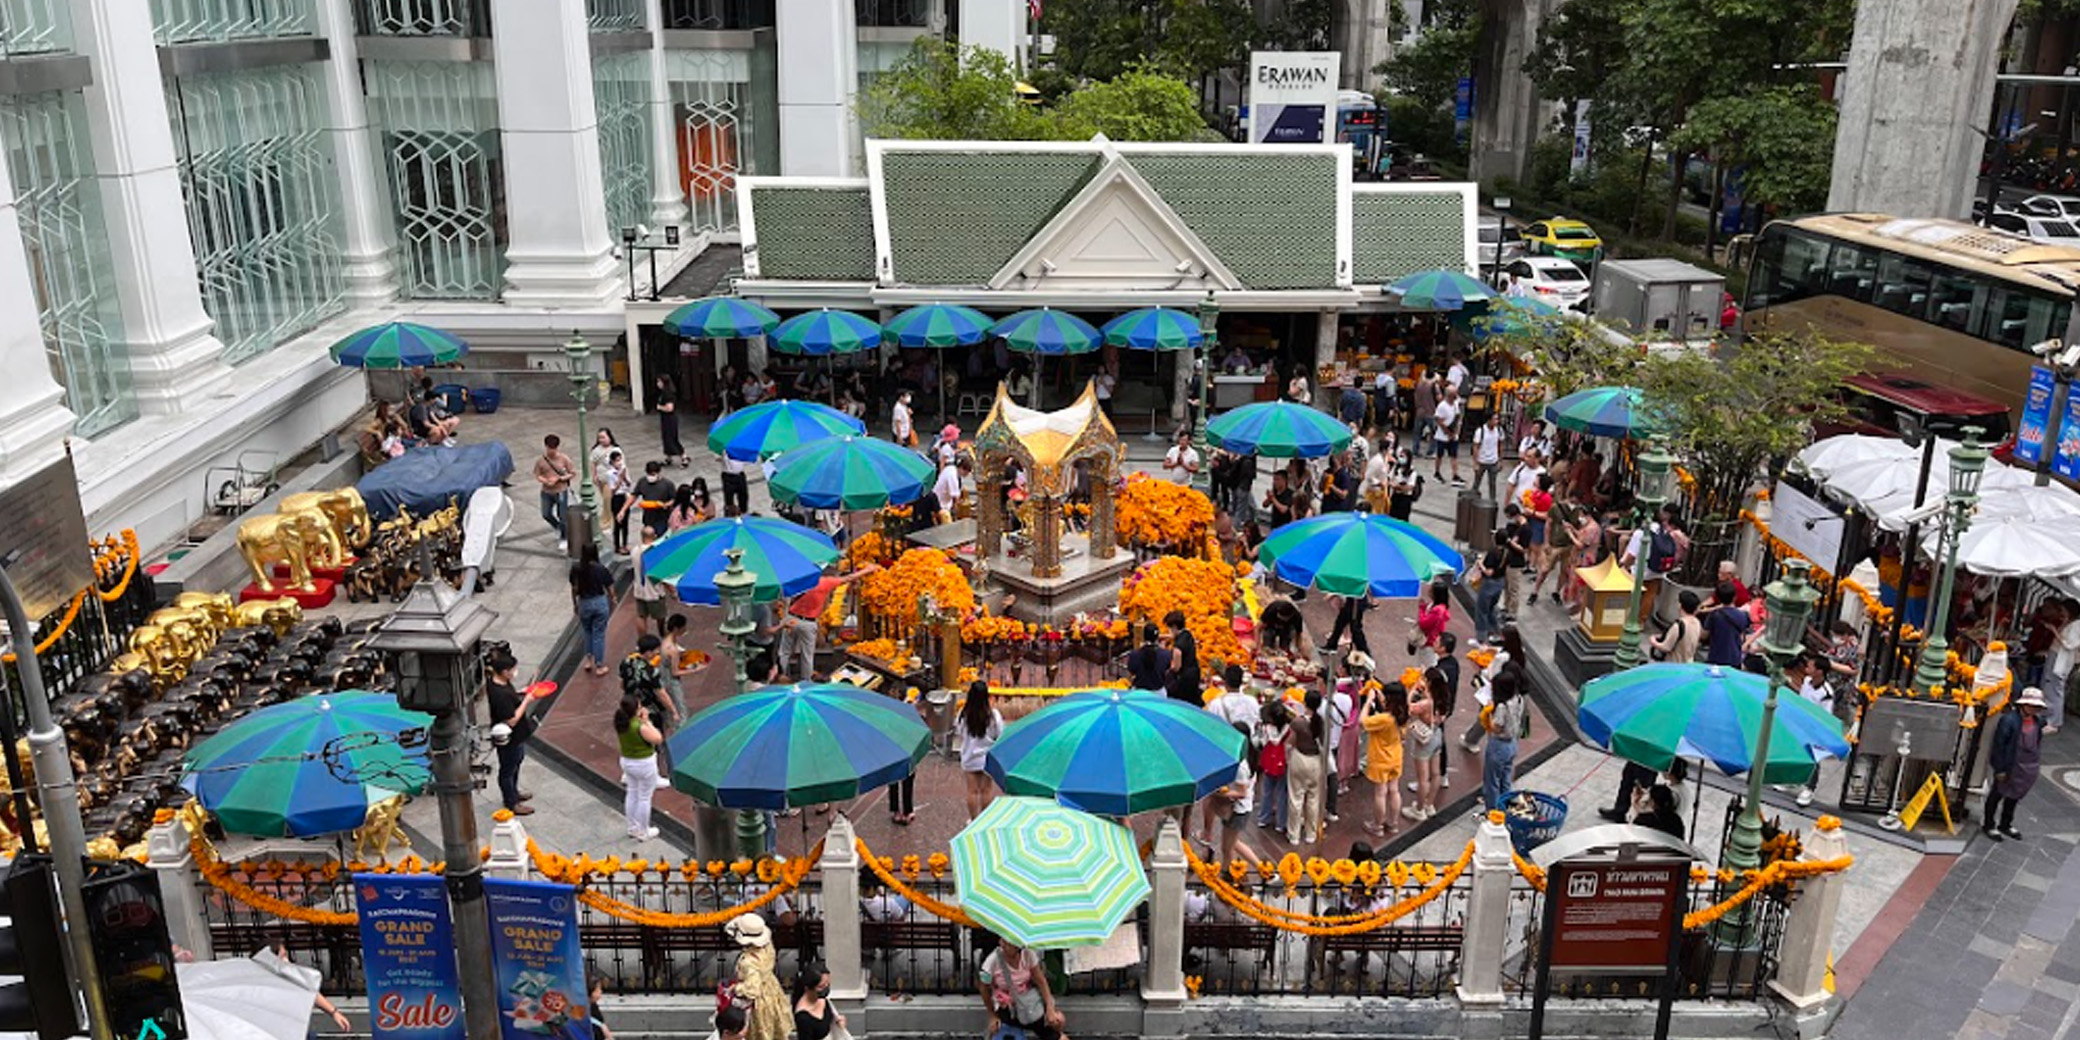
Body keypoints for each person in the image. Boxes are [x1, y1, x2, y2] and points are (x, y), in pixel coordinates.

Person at [1985, 687, 2048, 841]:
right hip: (2009, 764)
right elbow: (1999, 746)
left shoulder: (2038, 722)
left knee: (2014, 796)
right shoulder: (2009, 721)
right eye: (2031, 706)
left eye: (2036, 707)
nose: (2034, 709)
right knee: (1997, 794)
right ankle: (1989, 824)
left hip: (2026, 766)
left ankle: (2005, 824)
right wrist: (1999, 768)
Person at [978, 933, 1066, 1040]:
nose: (1003, 945)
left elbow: (1041, 981)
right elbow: (984, 988)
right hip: (1008, 1009)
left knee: (1058, 1022)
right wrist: (992, 1015)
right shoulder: (993, 960)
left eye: (1008, 943)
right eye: (1002, 941)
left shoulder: (1028, 955)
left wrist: (1050, 1008)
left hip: (1030, 1004)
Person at [486, 648, 537, 816]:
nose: (515, 672)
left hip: (517, 736)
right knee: (508, 769)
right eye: (513, 670)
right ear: (505, 672)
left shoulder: (500, 684)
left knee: (516, 763)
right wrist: (527, 701)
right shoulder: (499, 694)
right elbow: (512, 719)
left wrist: (520, 693)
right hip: (509, 736)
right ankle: (511, 801)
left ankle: (514, 793)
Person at [724, 915, 789, 1040]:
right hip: (771, 991)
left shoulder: (748, 962)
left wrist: (736, 988)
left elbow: (753, 989)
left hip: (759, 1003)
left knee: (760, 1034)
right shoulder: (767, 946)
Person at [1210, 721, 1261, 865]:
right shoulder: (1251, 755)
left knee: (1227, 848)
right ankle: (1261, 870)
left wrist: (1219, 793)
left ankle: (1230, 875)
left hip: (1238, 809)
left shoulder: (1241, 766)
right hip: (1242, 808)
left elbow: (1241, 793)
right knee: (1231, 844)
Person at [1360, 680, 1406, 838]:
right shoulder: (1403, 714)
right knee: (1394, 790)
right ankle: (1393, 824)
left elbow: (1363, 722)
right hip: (1396, 756)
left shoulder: (1384, 719)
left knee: (1380, 793)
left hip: (1380, 758)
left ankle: (1377, 825)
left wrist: (1368, 702)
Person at [614, 695, 663, 841]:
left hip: (627, 761)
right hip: (644, 763)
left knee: (632, 792)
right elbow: (657, 738)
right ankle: (643, 831)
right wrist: (647, 721)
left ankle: (632, 827)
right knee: (644, 797)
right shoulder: (639, 726)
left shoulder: (620, 720)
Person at [1285, 690, 1327, 845]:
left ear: (1305, 703)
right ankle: (1311, 834)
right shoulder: (1321, 721)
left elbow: (1291, 742)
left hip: (1299, 759)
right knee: (1313, 798)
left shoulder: (1298, 723)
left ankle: (1294, 835)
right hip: (1316, 761)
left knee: (1296, 798)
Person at [1481, 670, 1527, 810]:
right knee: (1505, 778)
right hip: (1512, 743)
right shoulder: (1519, 698)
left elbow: (1497, 728)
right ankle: (1505, 805)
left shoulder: (1502, 706)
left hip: (1499, 746)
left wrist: (1487, 712)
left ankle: (1493, 811)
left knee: (1492, 780)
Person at [570, 544, 615, 676]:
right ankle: (599, 665)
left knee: (588, 631)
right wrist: (613, 598)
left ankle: (589, 660)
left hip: (584, 602)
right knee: (599, 634)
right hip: (599, 601)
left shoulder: (576, 568)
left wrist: (575, 604)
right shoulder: (600, 568)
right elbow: (609, 586)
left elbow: (574, 588)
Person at [959, 681, 1002, 819]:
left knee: (972, 791)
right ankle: (984, 821)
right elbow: (1000, 734)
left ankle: (973, 819)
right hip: (987, 758)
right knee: (986, 790)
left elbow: (959, 732)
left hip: (969, 757)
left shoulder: (963, 714)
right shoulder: (993, 716)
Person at [1404, 671, 1442, 820]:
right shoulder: (1443, 698)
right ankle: (1429, 804)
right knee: (1436, 773)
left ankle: (1419, 810)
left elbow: (1409, 708)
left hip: (1424, 740)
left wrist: (1412, 690)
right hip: (1437, 735)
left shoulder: (1426, 703)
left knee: (1423, 779)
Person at [1252, 700, 1290, 833]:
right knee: (1282, 793)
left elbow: (1259, 742)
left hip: (1268, 761)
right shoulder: (1288, 729)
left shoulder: (1266, 729)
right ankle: (1281, 822)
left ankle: (1264, 817)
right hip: (1283, 762)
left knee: (1267, 790)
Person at [533, 434, 576, 551]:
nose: (551, 451)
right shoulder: (541, 460)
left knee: (563, 516)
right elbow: (537, 474)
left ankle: (564, 537)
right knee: (545, 513)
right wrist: (545, 481)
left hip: (561, 490)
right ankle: (557, 527)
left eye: (553, 448)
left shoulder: (564, 459)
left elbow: (572, 473)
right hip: (546, 491)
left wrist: (559, 479)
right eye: (549, 448)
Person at [1699, 582, 1751, 668]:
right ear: (1734, 597)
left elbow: (1704, 635)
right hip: (1734, 659)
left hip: (1716, 659)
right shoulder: (1743, 616)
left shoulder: (1714, 615)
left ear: (1718, 599)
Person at [628, 527, 668, 639]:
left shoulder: (635, 551)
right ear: (654, 536)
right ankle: (663, 636)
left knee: (641, 616)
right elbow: (660, 575)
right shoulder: (655, 552)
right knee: (661, 616)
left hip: (639, 591)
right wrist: (672, 591)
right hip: (654, 592)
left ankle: (642, 640)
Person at [790, 961, 845, 1040]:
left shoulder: (821, 998)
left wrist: (838, 1020)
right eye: (821, 986)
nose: (826, 988)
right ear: (808, 988)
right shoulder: (803, 1018)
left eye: (828, 983)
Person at [1651, 589, 1703, 663]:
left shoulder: (1678, 625)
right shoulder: (1697, 622)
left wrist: (1653, 641)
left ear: (1680, 605)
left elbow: (1666, 647)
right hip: (1689, 662)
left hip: (1674, 664)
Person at [629, 460, 677, 540]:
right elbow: (634, 495)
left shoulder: (667, 484)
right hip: (648, 518)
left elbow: (674, 499)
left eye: (653, 474)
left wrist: (666, 505)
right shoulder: (642, 482)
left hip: (662, 518)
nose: (651, 477)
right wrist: (623, 509)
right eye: (649, 474)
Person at [1472, 536, 1506, 645]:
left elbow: (1489, 572)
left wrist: (1480, 564)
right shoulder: (1506, 552)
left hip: (1490, 584)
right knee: (1491, 608)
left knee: (1481, 610)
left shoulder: (1493, 553)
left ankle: (1481, 638)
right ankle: (1496, 632)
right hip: (1500, 582)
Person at [598, 449, 634, 554]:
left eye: (620, 460)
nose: (619, 463)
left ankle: (625, 544)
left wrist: (624, 477)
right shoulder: (610, 474)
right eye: (617, 460)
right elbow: (613, 489)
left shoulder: (624, 470)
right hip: (616, 498)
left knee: (625, 523)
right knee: (618, 523)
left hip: (624, 496)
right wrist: (619, 478)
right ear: (612, 462)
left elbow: (628, 484)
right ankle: (617, 546)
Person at [1165, 610, 1202, 706]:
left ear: (1174, 627)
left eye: (1169, 628)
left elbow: (1176, 667)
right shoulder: (1188, 634)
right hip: (1194, 674)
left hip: (1184, 681)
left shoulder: (1178, 646)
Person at [1430, 387, 1463, 484]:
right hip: (1443, 435)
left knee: (1454, 455)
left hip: (1453, 434)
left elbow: (1457, 418)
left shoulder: (1455, 405)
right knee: (1440, 455)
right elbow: (1438, 420)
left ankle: (1455, 474)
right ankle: (1437, 472)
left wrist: (1456, 432)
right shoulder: (1442, 406)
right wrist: (1448, 432)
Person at [1127, 623, 1172, 693]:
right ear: (1157, 637)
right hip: (1158, 693)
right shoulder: (1166, 654)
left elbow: (1131, 670)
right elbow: (1167, 670)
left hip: (1138, 693)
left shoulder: (1134, 654)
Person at [1416, 581, 1451, 665]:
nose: (1429, 592)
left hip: (1429, 642)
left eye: (1431, 591)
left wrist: (1421, 609)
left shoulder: (1437, 610)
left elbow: (1423, 624)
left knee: (1425, 665)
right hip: (1430, 640)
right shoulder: (1437, 606)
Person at [1470, 413, 1505, 501]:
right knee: (1477, 482)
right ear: (1489, 420)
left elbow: (1500, 446)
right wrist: (1475, 463)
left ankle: (1492, 501)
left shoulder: (1499, 430)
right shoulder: (1480, 431)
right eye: (1494, 419)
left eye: (1497, 419)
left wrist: (1500, 461)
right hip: (1481, 461)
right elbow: (1475, 447)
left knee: (1492, 483)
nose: (1496, 421)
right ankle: (1473, 499)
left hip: (1493, 461)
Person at [656, 373, 687, 466]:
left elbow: (670, 408)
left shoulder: (668, 394)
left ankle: (684, 457)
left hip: (670, 419)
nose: (657, 384)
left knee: (672, 438)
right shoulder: (663, 393)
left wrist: (660, 407)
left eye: (659, 381)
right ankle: (668, 457)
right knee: (666, 437)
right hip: (665, 419)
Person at [1387, 450, 1423, 521]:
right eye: (1400, 456)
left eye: (1403, 456)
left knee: (1402, 519)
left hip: (1405, 498)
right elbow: (1389, 478)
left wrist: (1399, 487)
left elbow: (1410, 486)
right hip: (1395, 496)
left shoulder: (1412, 472)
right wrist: (1392, 484)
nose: (1401, 458)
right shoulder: (1396, 468)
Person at [933, 456, 969, 524]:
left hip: (942, 501)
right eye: (966, 473)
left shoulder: (950, 468)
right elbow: (955, 496)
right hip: (941, 505)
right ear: (962, 468)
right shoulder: (952, 475)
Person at [1411, 369, 1438, 458]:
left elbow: (1415, 398)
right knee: (1434, 433)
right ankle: (1430, 452)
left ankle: (1415, 450)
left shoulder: (1419, 385)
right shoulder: (1433, 386)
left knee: (1417, 433)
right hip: (1430, 412)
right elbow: (1439, 397)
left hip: (1420, 411)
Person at [720, 449, 750, 517]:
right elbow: (718, 458)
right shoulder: (724, 449)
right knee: (729, 500)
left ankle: (744, 514)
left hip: (740, 474)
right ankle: (729, 516)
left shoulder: (741, 448)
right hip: (728, 476)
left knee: (743, 497)